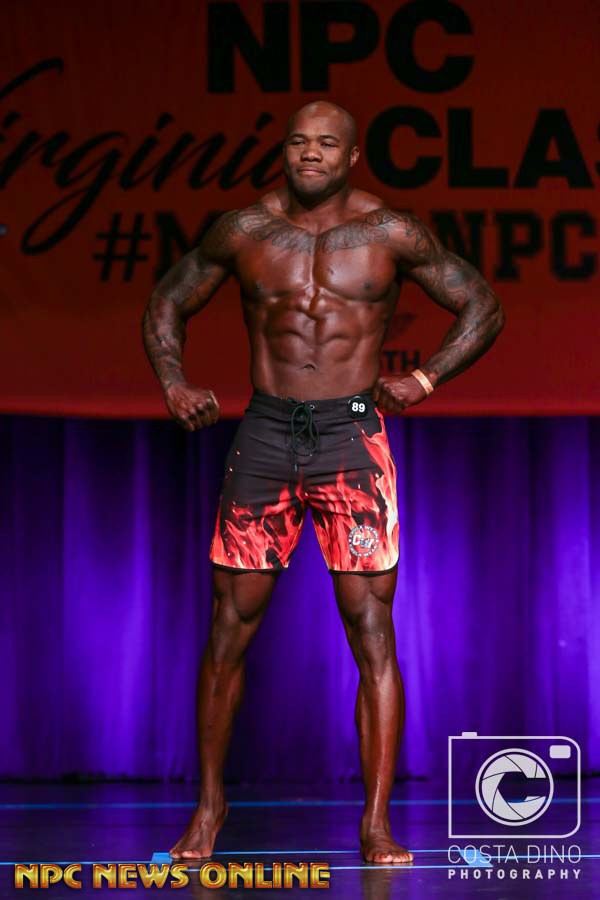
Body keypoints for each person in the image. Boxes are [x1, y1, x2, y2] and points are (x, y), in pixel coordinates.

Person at [142, 101, 505, 865]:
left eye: (327, 143)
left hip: (351, 437)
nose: (311, 153)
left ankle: (375, 824)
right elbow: (169, 296)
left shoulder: (389, 231)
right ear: (283, 150)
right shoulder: (245, 229)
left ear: (352, 156)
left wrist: (427, 379)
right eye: (299, 142)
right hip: (266, 434)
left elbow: (483, 303)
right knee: (227, 630)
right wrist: (173, 381)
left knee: (372, 632)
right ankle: (209, 809)